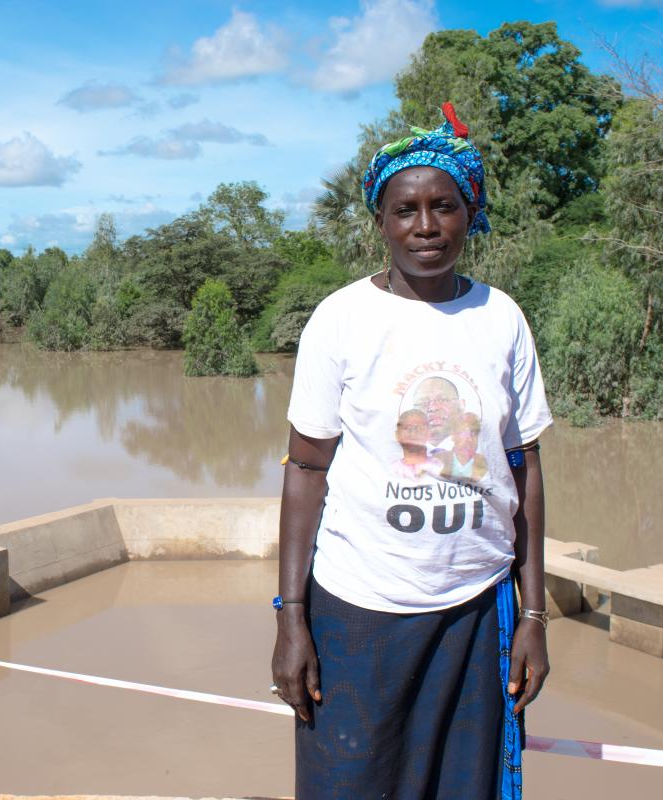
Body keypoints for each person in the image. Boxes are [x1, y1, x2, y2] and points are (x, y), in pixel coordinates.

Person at [271, 102, 552, 800]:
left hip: (476, 609)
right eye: (405, 210)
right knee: (349, 783)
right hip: (358, 612)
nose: (425, 227)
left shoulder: (501, 319)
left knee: (464, 786)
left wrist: (535, 615)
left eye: (444, 207)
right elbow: (306, 470)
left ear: (470, 212)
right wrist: (291, 618)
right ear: (381, 221)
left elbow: (526, 468)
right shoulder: (341, 320)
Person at [391, 408, 443, 480]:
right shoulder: (390, 471)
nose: (413, 433)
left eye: (419, 428)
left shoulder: (442, 468)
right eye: (407, 428)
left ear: (429, 433)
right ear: (397, 435)